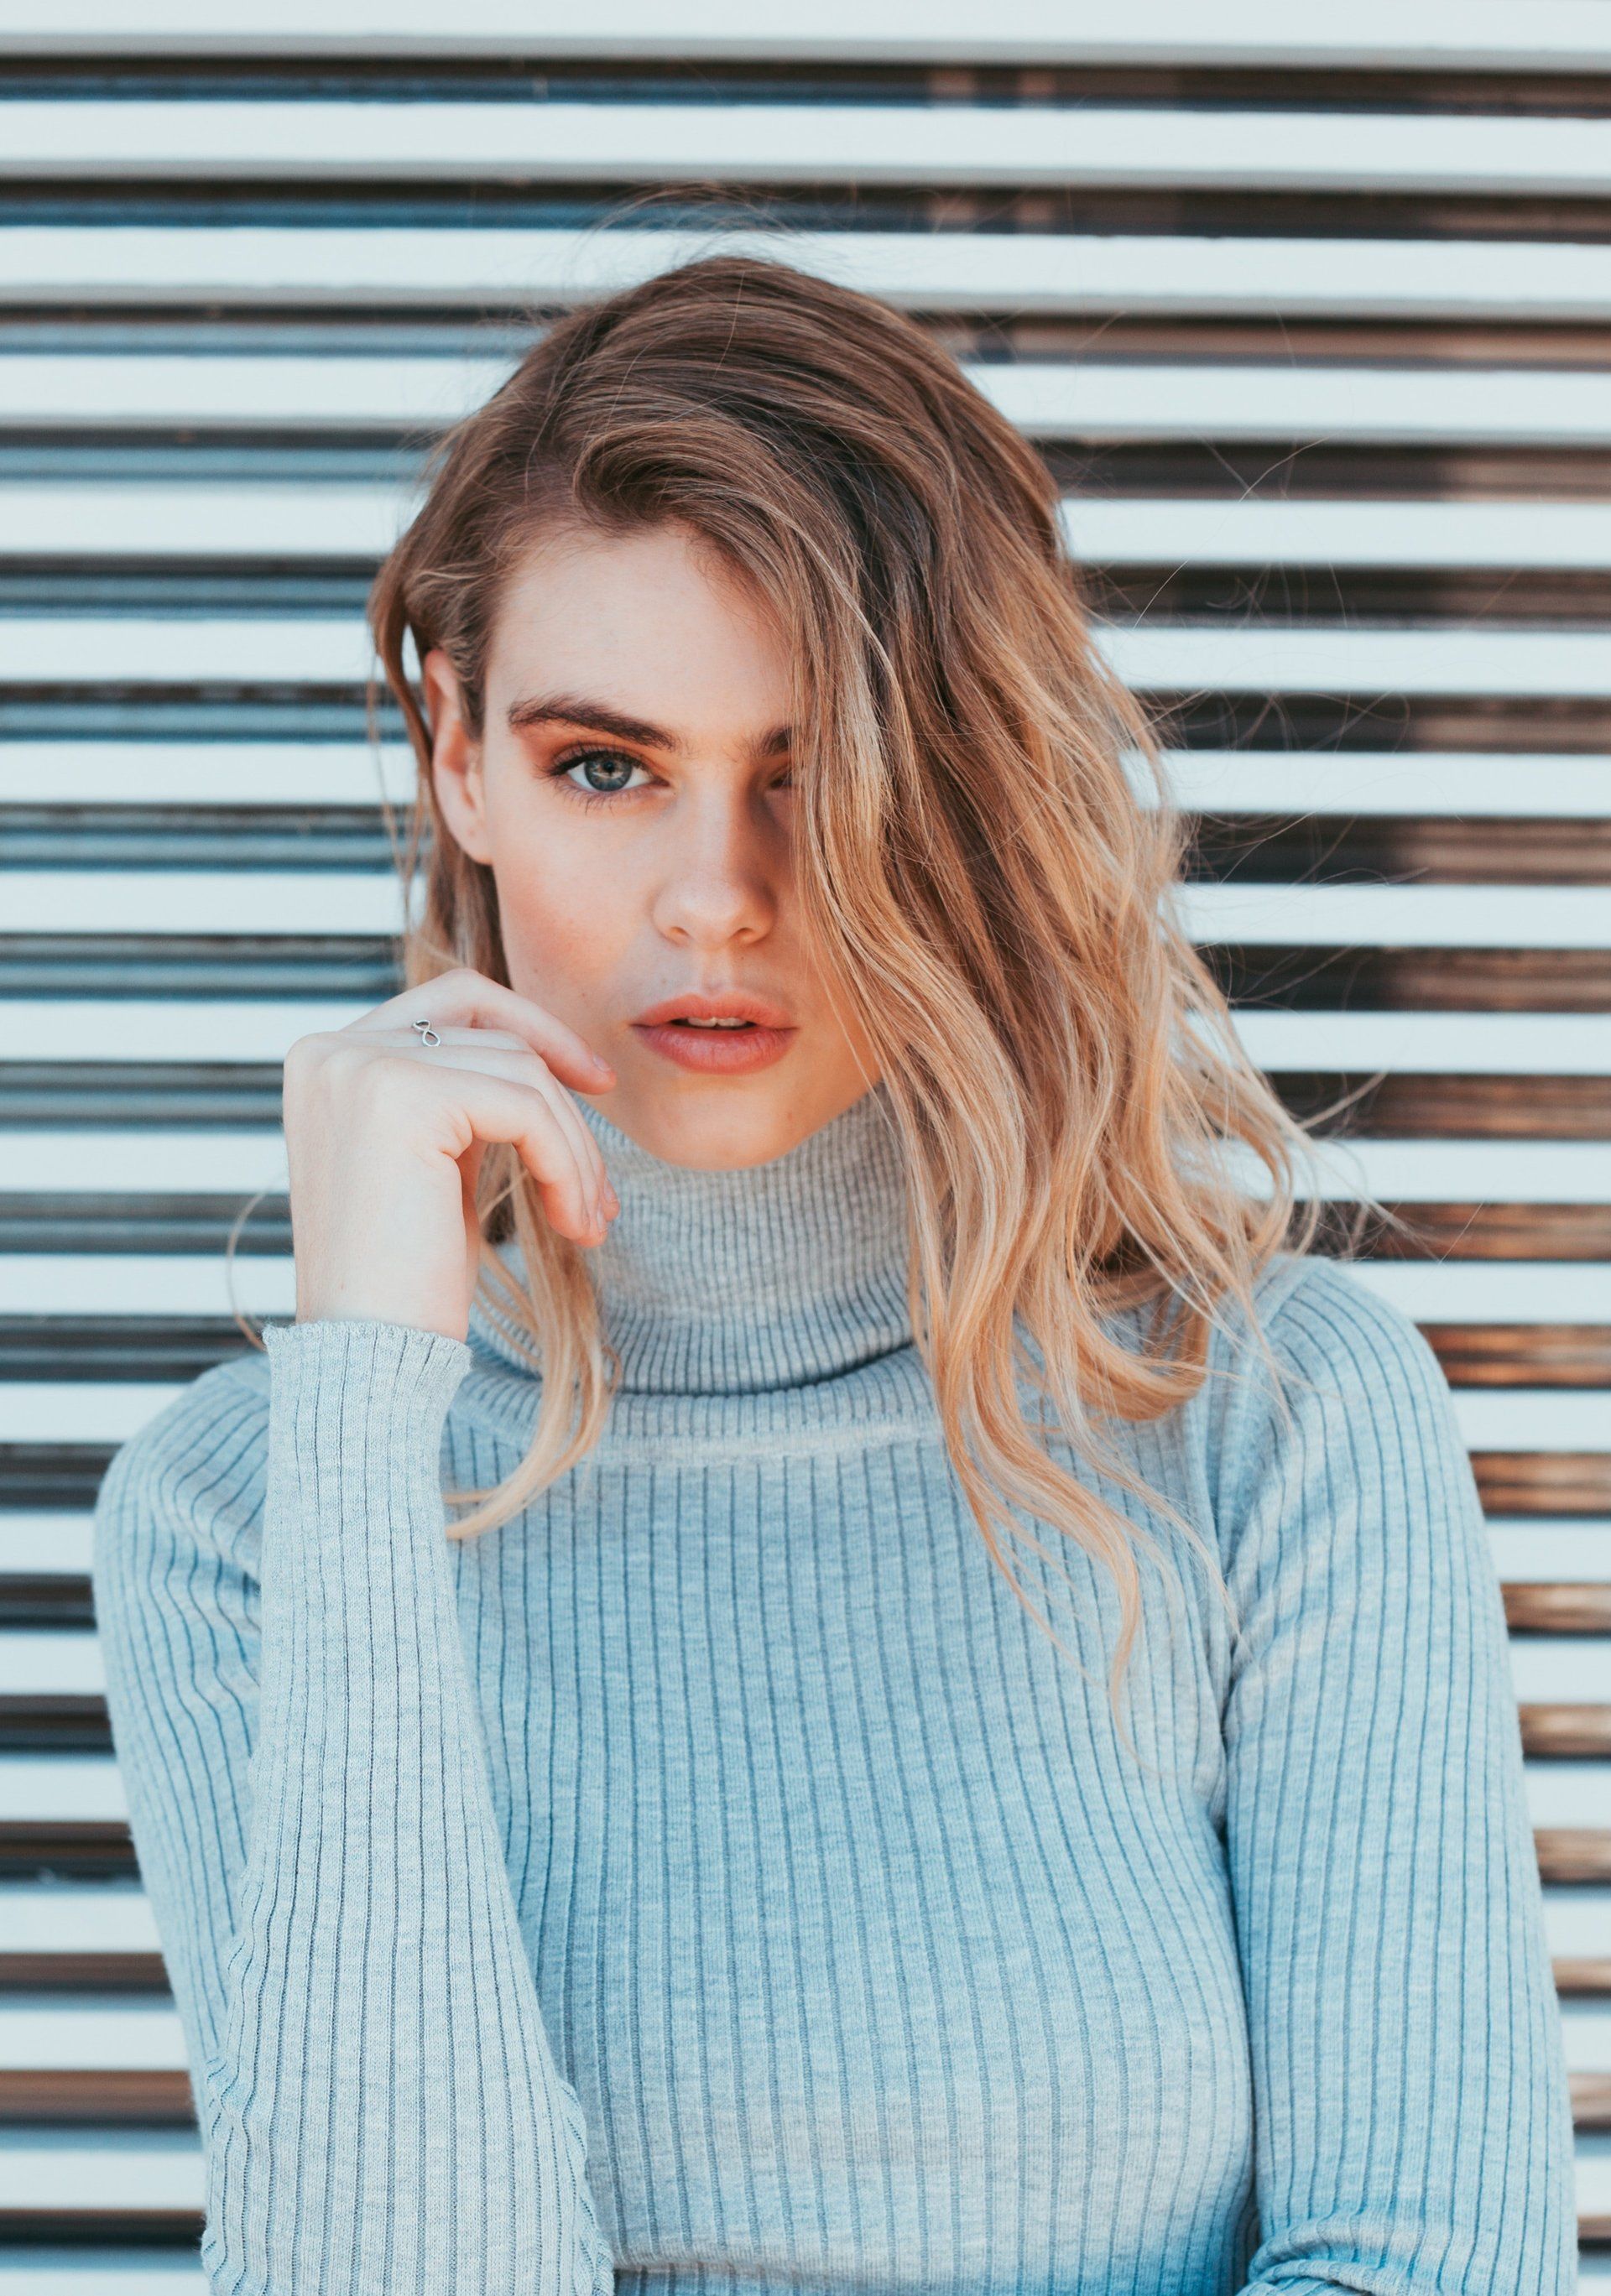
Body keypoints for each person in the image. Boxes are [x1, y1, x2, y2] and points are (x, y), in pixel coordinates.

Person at [91, 253, 1577, 2294]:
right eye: (607, 765)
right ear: (458, 752)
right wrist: (366, 1409)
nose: (719, 896)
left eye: (814, 773)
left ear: (958, 785)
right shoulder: (247, 1514)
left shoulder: (1271, 1422)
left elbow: (1435, 2262)